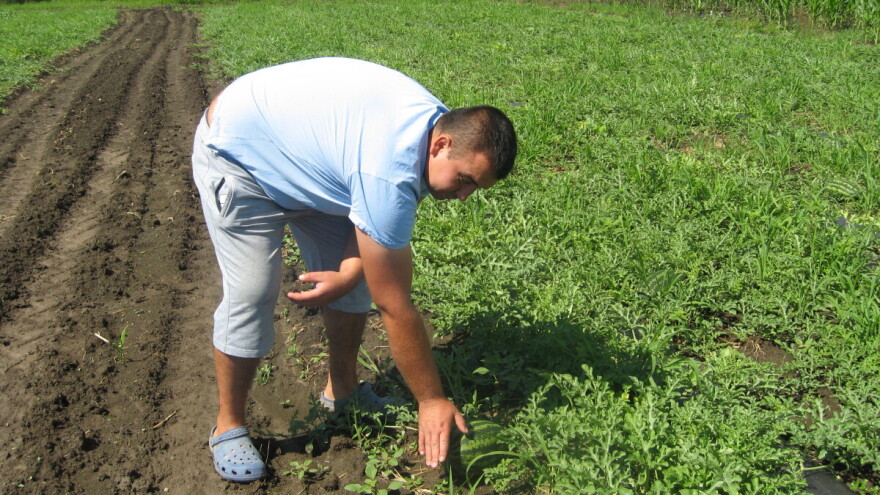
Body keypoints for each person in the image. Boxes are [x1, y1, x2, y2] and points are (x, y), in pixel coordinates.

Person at [191, 57, 516, 483]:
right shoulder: (392, 163)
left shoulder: (435, 139)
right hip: (240, 156)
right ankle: (228, 425)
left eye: (475, 187)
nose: (464, 196)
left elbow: (371, 216)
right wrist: (431, 400)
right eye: (465, 180)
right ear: (441, 145)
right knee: (252, 292)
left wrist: (346, 274)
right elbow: (394, 304)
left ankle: (342, 392)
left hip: (312, 165)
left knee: (357, 283)